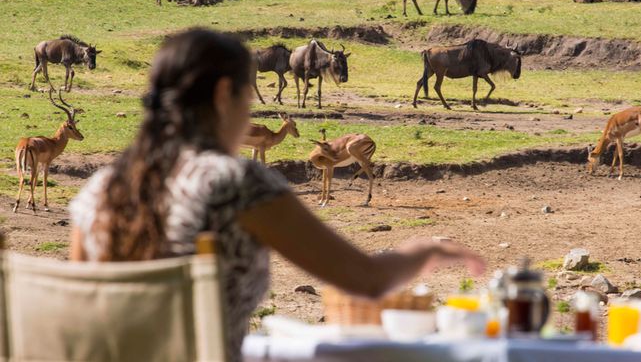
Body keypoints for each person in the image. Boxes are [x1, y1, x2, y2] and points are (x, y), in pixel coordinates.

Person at [68, 28, 484, 362]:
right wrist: (425, 249)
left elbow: (84, 315)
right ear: (221, 96)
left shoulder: (101, 188)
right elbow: (365, 279)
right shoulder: (236, 184)